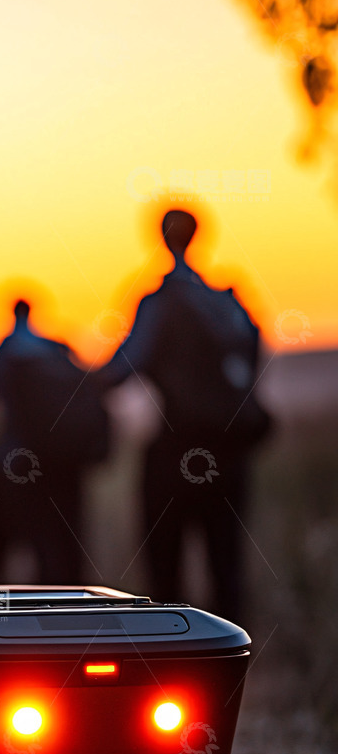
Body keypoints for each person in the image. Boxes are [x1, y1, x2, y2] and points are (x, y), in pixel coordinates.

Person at [99, 209, 269, 624]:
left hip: (176, 454)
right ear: (198, 236)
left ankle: (175, 661)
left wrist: (73, 382)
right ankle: (230, 663)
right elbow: (251, 361)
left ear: (160, 237)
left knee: (165, 571)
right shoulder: (228, 302)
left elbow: (125, 367)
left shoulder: (159, 302)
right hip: (231, 454)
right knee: (226, 566)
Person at [0, 299, 109, 582]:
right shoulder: (58, 350)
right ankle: (70, 607)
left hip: (19, 465)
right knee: (64, 542)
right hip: (65, 463)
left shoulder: (5, 353)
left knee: (6, 544)